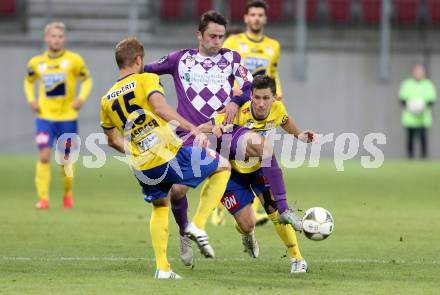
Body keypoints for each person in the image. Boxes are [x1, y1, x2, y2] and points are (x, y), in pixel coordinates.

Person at [100, 37, 231, 279]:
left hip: (142, 165)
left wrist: (136, 152)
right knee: (223, 166)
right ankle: (197, 224)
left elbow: (112, 140)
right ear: (139, 59)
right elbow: (160, 108)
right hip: (169, 154)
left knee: (160, 205)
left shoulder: (106, 99)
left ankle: (162, 268)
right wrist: (192, 128)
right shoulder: (146, 79)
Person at [144, 10, 253, 267]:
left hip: (225, 134)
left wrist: (236, 101)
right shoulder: (179, 59)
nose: (217, 41)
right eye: (212, 36)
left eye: (221, 37)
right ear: (199, 36)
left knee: (247, 221)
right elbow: (146, 71)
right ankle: (185, 232)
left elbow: (248, 85)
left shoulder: (232, 58)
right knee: (178, 190)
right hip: (193, 135)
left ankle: (263, 209)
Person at [199, 75, 315, 273]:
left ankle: (296, 257)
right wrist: (214, 128)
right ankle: (247, 234)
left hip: (260, 168)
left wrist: (300, 136)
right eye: (258, 98)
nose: (261, 103)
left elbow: (285, 121)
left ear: (274, 98)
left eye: (266, 98)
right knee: (246, 224)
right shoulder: (236, 111)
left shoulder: (278, 109)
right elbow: (202, 126)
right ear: (250, 96)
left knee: (275, 212)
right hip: (232, 172)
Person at [223, 0, 298, 227]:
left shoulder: (273, 45)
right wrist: (233, 96)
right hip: (240, 108)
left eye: (260, 15)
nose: (256, 18)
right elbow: (223, 71)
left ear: (265, 19)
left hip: (263, 108)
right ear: (245, 18)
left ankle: (261, 208)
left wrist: (278, 96)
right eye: (252, 14)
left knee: (260, 158)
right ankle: (231, 206)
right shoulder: (233, 42)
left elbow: (273, 73)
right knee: (232, 161)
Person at [23, 22, 93, 209]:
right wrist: (32, 99)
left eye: (60, 36)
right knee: (44, 155)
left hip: (67, 118)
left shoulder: (74, 60)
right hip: (44, 117)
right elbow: (28, 81)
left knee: (66, 160)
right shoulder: (36, 63)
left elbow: (87, 79)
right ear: (46, 38)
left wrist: (81, 98)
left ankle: (67, 194)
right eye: (53, 36)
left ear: (64, 39)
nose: (56, 39)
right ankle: (43, 199)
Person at [399, 64, 437, 159]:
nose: (418, 73)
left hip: (423, 118)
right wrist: (411, 107)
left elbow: (432, 100)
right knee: (410, 139)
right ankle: (410, 158)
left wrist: (422, 107)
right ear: (413, 72)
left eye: (420, 71)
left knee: (423, 139)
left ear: (423, 72)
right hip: (410, 118)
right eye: (416, 71)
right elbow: (402, 99)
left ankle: (424, 158)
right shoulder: (407, 84)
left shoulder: (428, 84)